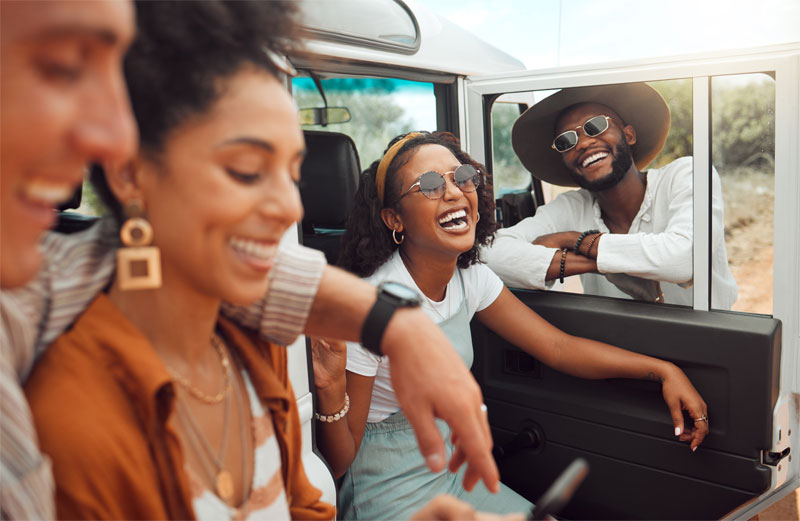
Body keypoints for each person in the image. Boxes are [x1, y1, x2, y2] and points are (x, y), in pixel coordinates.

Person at [0, 3, 499, 516]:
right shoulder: (80, 415)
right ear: (129, 174)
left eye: (292, 173)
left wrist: (395, 324)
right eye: (243, 170)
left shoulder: (248, 340)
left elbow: (297, 503)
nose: (290, 208)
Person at [310, 131, 710, 521]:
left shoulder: (469, 277)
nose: (454, 192)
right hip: (390, 495)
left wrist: (662, 371)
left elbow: (557, 347)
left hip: (454, 477)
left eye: (462, 177)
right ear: (394, 218)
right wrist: (329, 390)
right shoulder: (370, 309)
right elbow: (341, 460)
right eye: (429, 184)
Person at [0, 1, 137, 518]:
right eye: (62, 66)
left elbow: (188, 248)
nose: (117, 137)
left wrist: (387, 320)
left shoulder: (22, 294)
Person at [484, 83, 738, 309]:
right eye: (566, 141)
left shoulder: (687, 174)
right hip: (620, 350)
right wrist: (598, 263)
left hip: (711, 344)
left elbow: (686, 258)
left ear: (628, 135)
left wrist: (576, 241)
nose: (583, 143)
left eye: (595, 126)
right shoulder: (573, 207)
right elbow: (490, 255)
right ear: (564, 160)